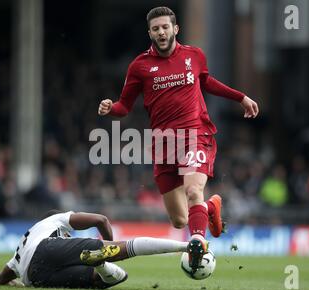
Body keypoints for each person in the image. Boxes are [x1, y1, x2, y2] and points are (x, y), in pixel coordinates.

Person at [97, 7, 259, 270]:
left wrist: (240, 97)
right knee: (179, 220)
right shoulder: (139, 66)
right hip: (164, 143)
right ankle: (209, 209)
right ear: (149, 32)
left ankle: (198, 246)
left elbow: (207, 82)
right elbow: (124, 107)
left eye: (165, 27)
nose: (161, 32)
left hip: (196, 133)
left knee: (193, 189)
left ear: (175, 29)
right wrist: (110, 108)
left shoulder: (194, 56)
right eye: (156, 28)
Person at [0, 210, 190, 289]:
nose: (68, 237)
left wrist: (8, 282)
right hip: (46, 249)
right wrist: (110, 247)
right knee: (122, 250)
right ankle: (185, 246)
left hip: (37, 277)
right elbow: (101, 220)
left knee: (103, 281)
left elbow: (2, 276)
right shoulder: (53, 221)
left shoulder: (21, 245)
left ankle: (99, 264)